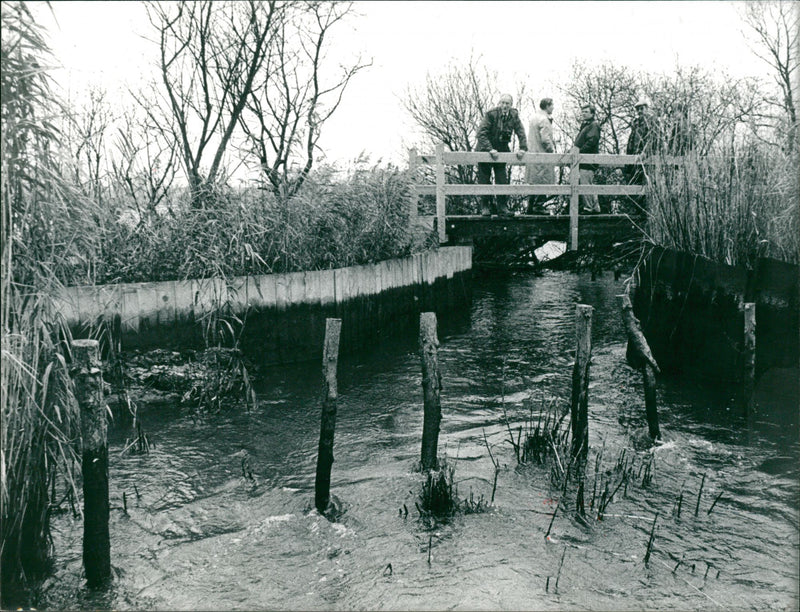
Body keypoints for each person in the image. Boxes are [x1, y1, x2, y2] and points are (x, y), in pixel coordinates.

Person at [476, 94, 528, 216]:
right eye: (502, 103)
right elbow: (481, 133)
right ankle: (485, 207)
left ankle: (502, 207)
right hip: (485, 149)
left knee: (502, 179)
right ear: (499, 103)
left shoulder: (514, 115)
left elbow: (521, 131)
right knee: (484, 178)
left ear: (511, 105)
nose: (505, 106)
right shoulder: (491, 114)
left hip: (501, 149)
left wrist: (523, 148)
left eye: (507, 103)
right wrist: (490, 149)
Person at [525, 97, 556, 214]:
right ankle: (538, 206)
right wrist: (551, 150)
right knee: (543, 180)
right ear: (547, 106)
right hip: (542, 155)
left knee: (534, 181)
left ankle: (530, 206)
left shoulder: (534, 118)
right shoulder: (544, 119)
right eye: (552, 105)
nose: (553, 107)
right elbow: (545, 139)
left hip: (533, 152)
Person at [574, 104, 600, 213]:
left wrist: (579, 152)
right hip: (585, 159)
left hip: (588, 159)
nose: (583, 113)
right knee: (588, 182)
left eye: (586, 112)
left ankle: (588, 208)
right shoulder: (586, 125)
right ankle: (595, 207)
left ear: (592, 113)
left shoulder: (593, 125)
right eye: (583, 111)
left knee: (586, 182)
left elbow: (592, 141)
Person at [625, 97, 656, 186]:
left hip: (647, 158)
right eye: (637, 109)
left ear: (647, 109)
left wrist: (644, 152)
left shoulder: (652, 122)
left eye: (641, 109)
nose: (639, 111)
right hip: (635, 158)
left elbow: (652, 139)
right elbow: (631, 142)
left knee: (647, 184)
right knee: (635, 183)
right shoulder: (636, 123)